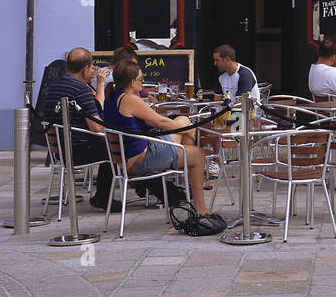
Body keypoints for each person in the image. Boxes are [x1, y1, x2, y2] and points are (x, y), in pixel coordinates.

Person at [102, 59, 212, 217]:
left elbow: (150, 121)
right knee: (198, 154)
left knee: (182, 122)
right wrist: (191, 130)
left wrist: (186, 128)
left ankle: (188, 182)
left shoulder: (111, 97)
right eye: (141, 79)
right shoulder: (130, 99)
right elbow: (161, 122)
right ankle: (200, 208)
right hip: (141, 160)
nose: (143, 83)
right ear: (132, 82)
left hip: (124, 160)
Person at [37, 48, 112, 210]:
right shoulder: (80, 89)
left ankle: (104, 197)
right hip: (78, 150)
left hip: (60, 151)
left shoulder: (54, 87)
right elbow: (97, 127)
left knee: (118, 147)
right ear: (85, 69)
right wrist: (100, 85)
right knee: (121, 148)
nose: (93, 69)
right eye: (91, 66)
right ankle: (104, 198)